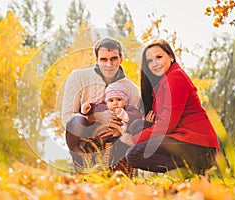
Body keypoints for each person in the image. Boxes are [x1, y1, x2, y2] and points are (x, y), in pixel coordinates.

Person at [120, 39, 220, 176]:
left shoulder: (176, 77)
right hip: (183, 139)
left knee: (134, 154)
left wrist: (133, 140)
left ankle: (191, 172)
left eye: (159, 57)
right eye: (149, 61)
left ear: (171, 57)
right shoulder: (162, 83)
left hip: (199, 146)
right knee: (139, 125)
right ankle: (187, 173)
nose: (154, 64)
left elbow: (167, 125)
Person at [62, 37, 141, 175]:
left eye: (114, 59)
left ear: (121, 59)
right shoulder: (78, 78)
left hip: (116, 138)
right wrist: (94, 116)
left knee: (128, 137)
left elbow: (135, 122)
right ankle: (84, 167)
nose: (109, 64)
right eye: (104, 59)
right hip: (87, 134)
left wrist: (120, 130)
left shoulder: (132, 89)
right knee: (74, 121)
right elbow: (67, 117)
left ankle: (119, 172)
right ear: (96, 60)